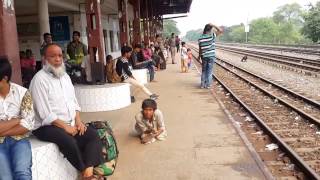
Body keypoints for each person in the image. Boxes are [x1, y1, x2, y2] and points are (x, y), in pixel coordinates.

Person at [29, 44, 104, 180]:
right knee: (69, 141)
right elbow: (44, 114)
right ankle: (86, 172)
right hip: (46, 126)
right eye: (53, 56)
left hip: (69, 122)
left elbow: (73, 103)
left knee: (93, 136)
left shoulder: (65, 77)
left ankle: (88, 171)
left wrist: (78, 121)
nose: (58, 59)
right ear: (45, 59)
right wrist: (66, 127)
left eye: (60, 55)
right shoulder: (39, 80)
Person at [0, 57, 35, 180]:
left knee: (23, 174)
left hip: (19, 140)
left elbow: (27, 125)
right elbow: (22, 122)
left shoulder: (22, 93)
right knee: (5, 177)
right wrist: (15, 121)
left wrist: (3, 128)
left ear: (4, 78)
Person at [198, 23, 223, 89]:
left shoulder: (200, 38)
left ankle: (202, 85)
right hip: (211, 56)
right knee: (209, 71)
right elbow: (220, 31)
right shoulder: (212, 35)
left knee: (204, 71)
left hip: (204, 56)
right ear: (211, 29)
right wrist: (213, 24)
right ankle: (208, 85)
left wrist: (199, 56)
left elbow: (200, 48)